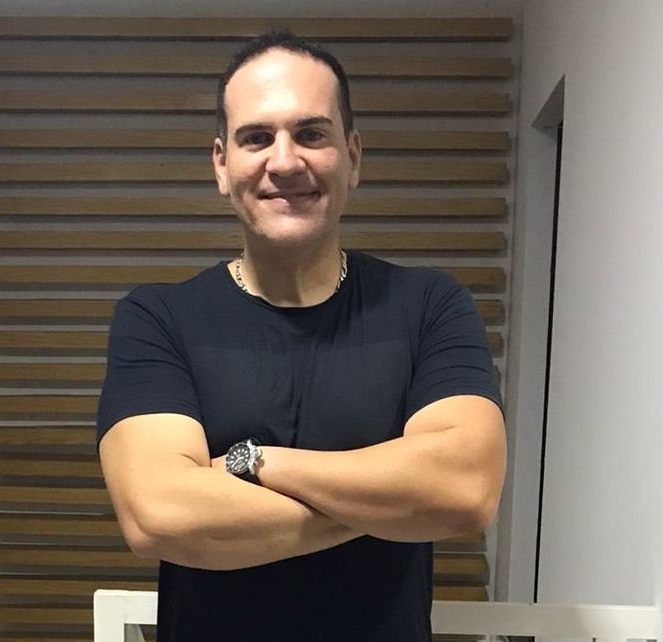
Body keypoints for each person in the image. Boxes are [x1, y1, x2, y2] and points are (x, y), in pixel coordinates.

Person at [96, 29, 506, 642]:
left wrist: (256, 462)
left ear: (353, 156)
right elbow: (159, 514)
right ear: (221, 164)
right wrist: (396, 502)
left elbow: (464, 489)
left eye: (311, 133)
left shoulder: (429, 306)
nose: (284, 162)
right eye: (256, 137)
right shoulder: (157, 318)